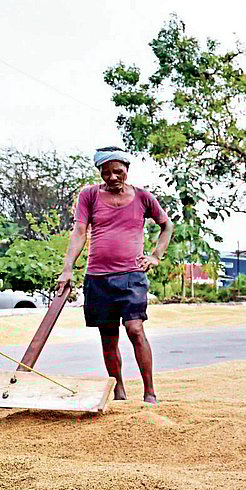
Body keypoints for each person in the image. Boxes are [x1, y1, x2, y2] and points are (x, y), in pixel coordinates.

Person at [58, 147, 173, 404]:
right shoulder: (89, 195)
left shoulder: (143, 197)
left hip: (132, 276)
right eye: (106, 172)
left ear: (127, 170)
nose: (112, 177)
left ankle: (150, 392)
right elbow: (79, 232)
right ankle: (118, 389)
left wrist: (155, 255)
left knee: (135, 329)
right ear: (100, 172)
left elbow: (167, 225)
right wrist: (67, 268)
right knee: (108, 336)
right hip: (98, 278)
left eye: (117, 171)